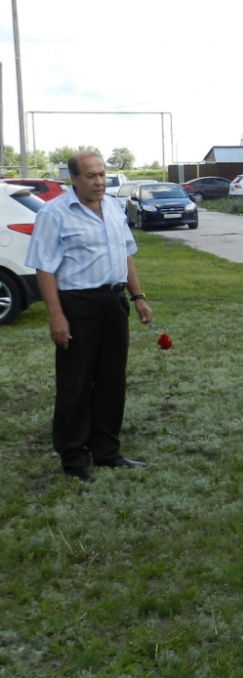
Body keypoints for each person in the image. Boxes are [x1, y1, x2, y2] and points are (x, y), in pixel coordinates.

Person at [25, 151, 153, 483]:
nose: (99, 181)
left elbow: (126, 254)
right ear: (75, 179)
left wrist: (137, 297)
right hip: (77, 304)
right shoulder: (55, 214)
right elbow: (44, 268)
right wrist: (56, 316)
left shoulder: (113, 207)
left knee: (112, 381)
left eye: (102, 174)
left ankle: (107, 452)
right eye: (91, 176)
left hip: (113, 300)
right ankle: (73, 458)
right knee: (76, 382)